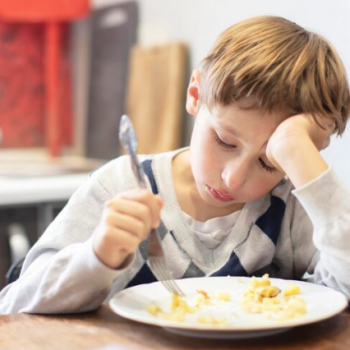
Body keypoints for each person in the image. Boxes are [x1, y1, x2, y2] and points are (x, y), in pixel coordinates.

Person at [1, 15, 350, 314]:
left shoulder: (293, 206)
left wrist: (304, 161)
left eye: (270, 161)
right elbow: (13, 306)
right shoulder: (120, 185)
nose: (233, 178)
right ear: (195, 95)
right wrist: (97, 257)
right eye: (225, 141)